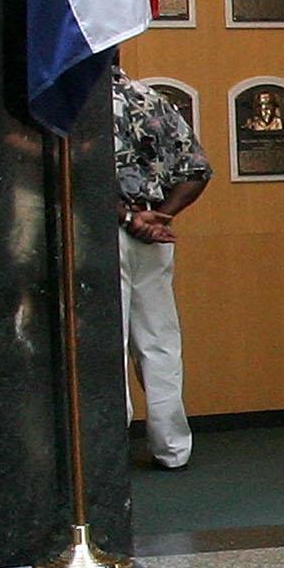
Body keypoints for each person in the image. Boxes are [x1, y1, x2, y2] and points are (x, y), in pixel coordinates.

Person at [112, 67, 213, 471]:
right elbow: (198, 170)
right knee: (160, 342)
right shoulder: (149, 97)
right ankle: (172, 448)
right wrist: (159, 216)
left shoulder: (79, 106)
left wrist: (127, 218)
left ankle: (109, 451)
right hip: (154, 238)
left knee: (108, 345)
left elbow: (79, 179)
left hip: (101, 237)